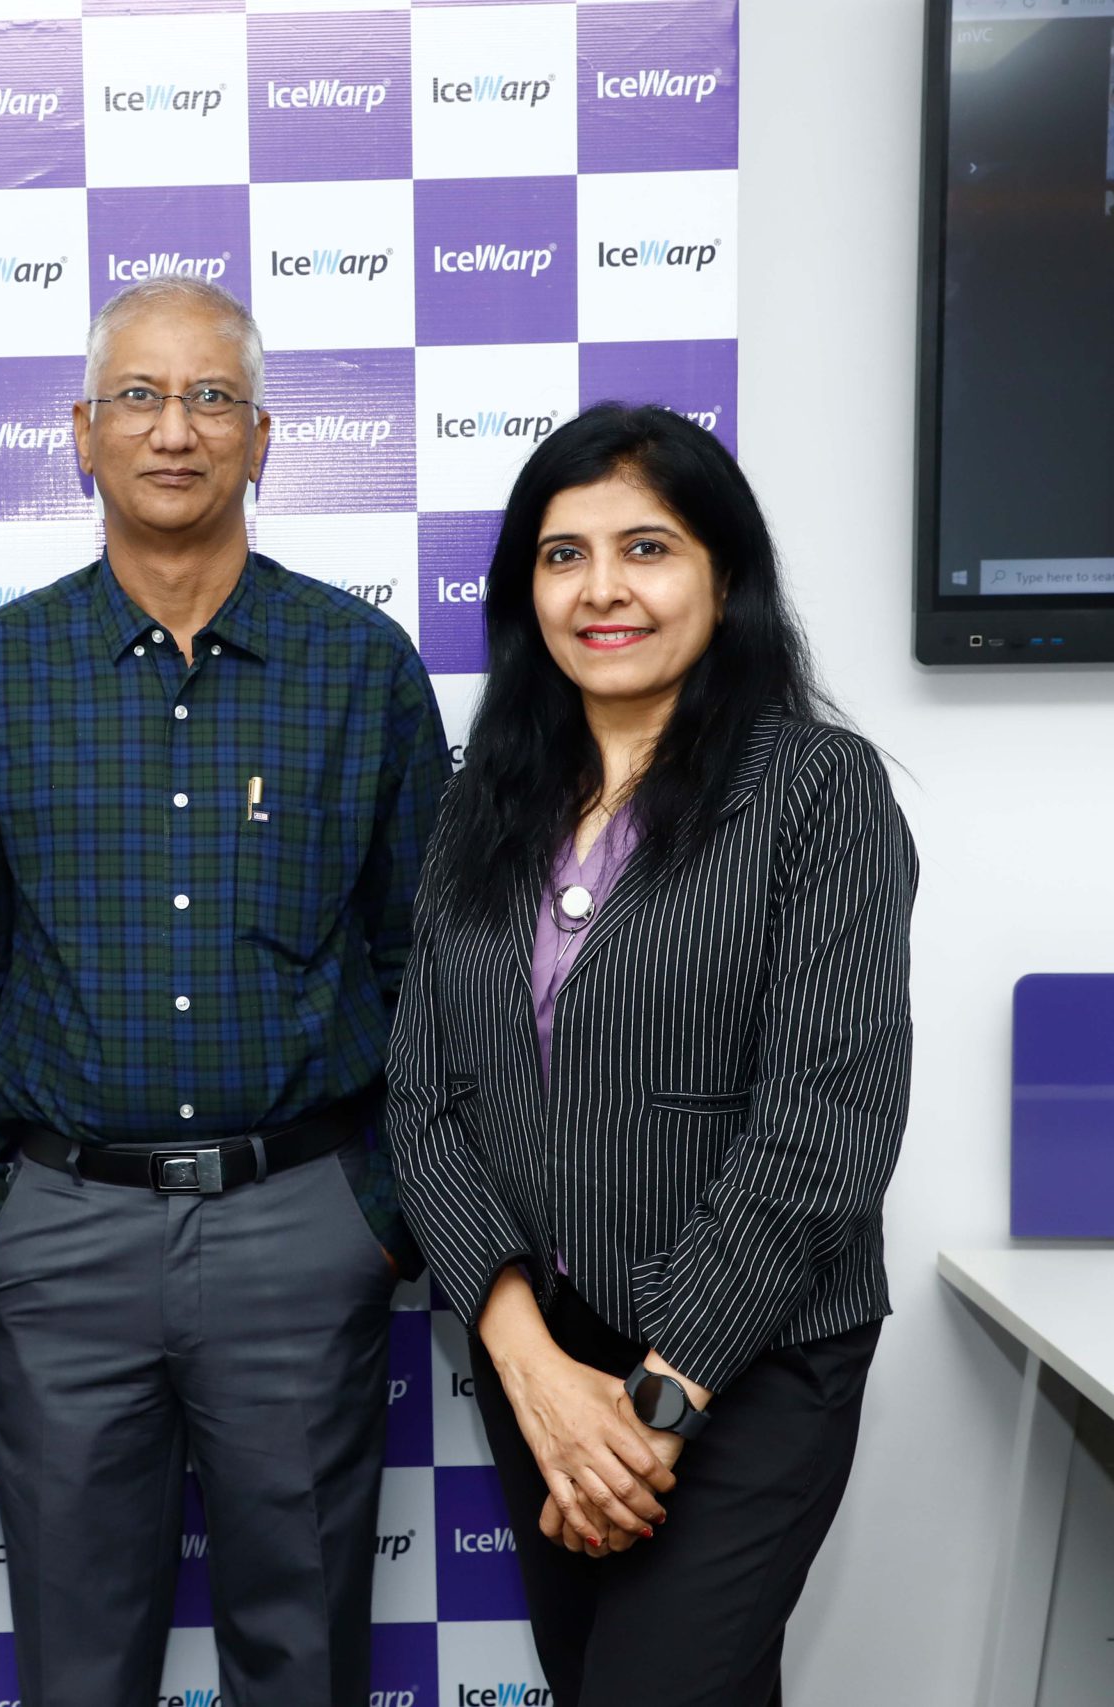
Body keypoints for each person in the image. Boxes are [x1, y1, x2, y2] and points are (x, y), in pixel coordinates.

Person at [0, 275, 451, 1706]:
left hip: (302, 1229)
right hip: (62, 1238)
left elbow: (427, 964)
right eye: (140, 398)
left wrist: (379, 1214)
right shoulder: (1, 672)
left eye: (213, 397)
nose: (176, 430)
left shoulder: (361, 669)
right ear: (80, 434)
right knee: (79, 1662)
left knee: (305, 1655)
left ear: (263, 438)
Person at [385, 405, 916, 1705]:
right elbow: (424, 1099)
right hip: (544, 1360)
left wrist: (655, 1408)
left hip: (750, 1360)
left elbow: (825, 1126)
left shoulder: (819, 791)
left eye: (647, 548)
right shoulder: (480, 803)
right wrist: (533, 1370)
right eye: (563, 555)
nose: (602, 589)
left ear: (724, 577)